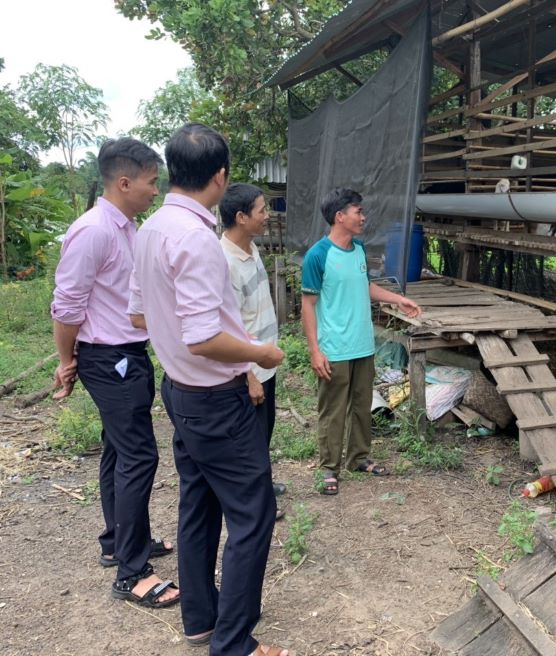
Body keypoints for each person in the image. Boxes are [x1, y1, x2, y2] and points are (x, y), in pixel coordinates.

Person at [128, 123, 288, 656]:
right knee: (252, 514)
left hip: (180, 392)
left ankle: (200, 618)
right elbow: (203, 338)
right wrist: (259, 354)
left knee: (198, 504)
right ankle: (234, 642)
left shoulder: (150, 229)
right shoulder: (197, 239)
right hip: (215, 399)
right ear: (220, 177)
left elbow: (137, 313)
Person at [51, 137, 179, 609]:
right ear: (124, 182)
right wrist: (68, 362)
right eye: (150, 182)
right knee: (139, 457)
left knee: (118, 451)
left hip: (126, 354)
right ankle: (131, 573)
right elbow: (66, 307)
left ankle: (119, 541)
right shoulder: (93, 231)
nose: (154, 190)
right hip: (110, 359)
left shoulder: (126, 227)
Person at [301, 188, 421, 496]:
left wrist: (397, 299)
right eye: (358, 211)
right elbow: (308, 305)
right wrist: (315, 350)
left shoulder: (358, 249)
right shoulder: (318, 255)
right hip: (334, 348)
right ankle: (329, 468)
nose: (363, 217)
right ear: (340, 216)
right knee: (332, 409)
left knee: (361, 404)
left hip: (362, 344)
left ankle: (359, 457)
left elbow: (365, 286)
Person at [219, 183, 287, 514]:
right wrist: (248, 376)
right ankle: (257, 503)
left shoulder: (251, 248)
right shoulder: (224, 263)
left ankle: (262, 486)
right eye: (261, 210)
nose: (267, 215)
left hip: (265, 362)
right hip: (249, 370)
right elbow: (227, 329)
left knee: (263, 434)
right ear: (241, 217)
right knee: (248, 442)